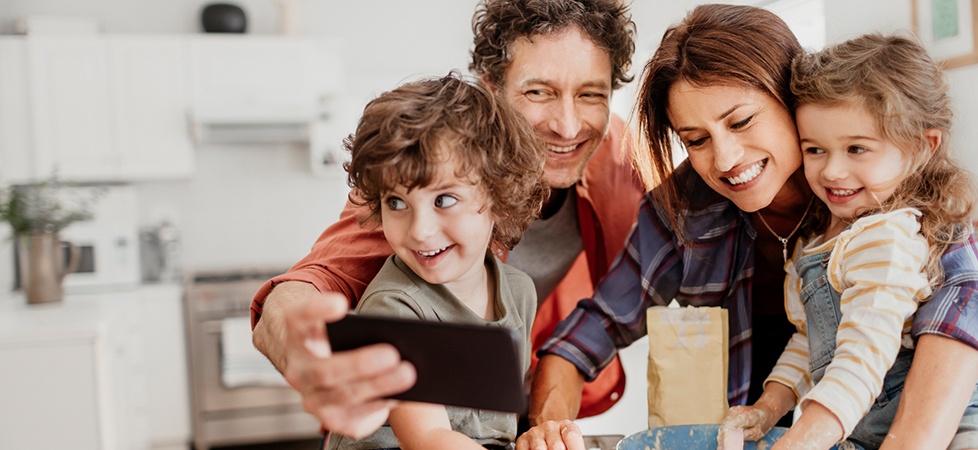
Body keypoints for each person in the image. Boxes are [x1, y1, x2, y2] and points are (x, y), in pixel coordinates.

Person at [518, 5, 978, 450]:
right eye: (696, 140)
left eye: (741, 122)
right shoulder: (685, 207)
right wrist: (549, 430)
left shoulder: (892, 206)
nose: (725, 160)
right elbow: (592, 329)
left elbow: (934, 340)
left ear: (793, 100)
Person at [249, 0, 644, 439]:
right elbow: (310, 286)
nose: (568, 126)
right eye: (538, 92)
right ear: (491, 87)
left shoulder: (620, 161)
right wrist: (304, 351)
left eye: (591, 94)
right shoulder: (429, 167)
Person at [720, 33, 978, 450]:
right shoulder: (826, 238)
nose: (832, 171)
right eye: (816, 149)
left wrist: (807, 436)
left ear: (921, 147)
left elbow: (864, 351)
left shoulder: (889, 237)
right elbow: (810, 342)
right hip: (860, 429)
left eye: (857, 148)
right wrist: (768, 407)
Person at [323, 72, 549, 450]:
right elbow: (428, 438)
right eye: (396, 203)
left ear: (499, 194)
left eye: (443, 200)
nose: (420, 231)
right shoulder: (394, 308)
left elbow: (496, 427)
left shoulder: (519, 292)